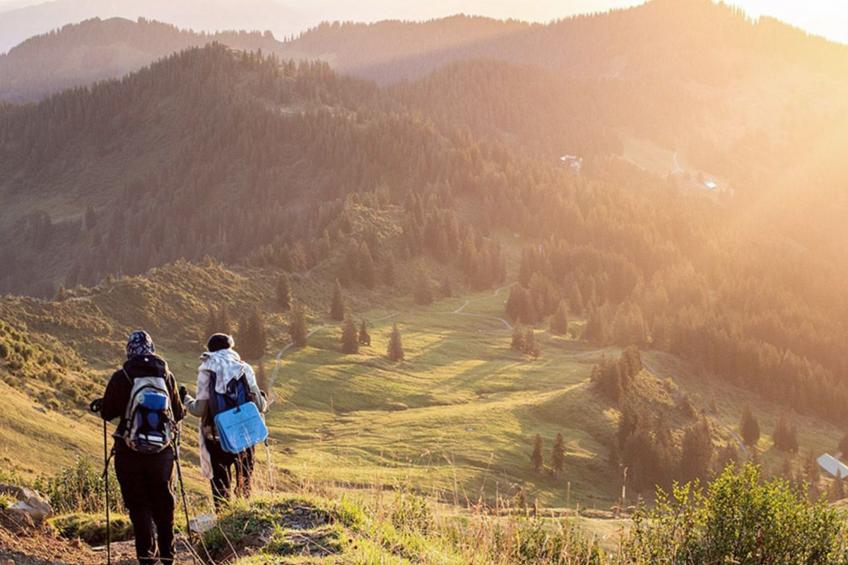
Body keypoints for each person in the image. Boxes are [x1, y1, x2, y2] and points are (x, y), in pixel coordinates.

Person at [95, 330, 184, 565]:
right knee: (164, 503)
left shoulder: (122, 375)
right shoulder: (166, 375)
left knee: (139, 505)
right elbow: (178, 413)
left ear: (129, 350)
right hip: (162, 453)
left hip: (129, 451)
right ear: (151, 348)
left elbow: (108, 412)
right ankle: (168, 556)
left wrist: (101, 404)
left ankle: (147, 558)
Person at [182, 333, 267, 510]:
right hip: (244, 436)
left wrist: (185, 399)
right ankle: (244, 517)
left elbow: (199, 410)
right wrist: (263, 400)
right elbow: (260, 405)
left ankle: (222, 519)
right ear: (230, 348)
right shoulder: (244, 368)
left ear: (210, 350)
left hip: (216, 437)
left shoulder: (206, 370)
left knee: (220, 485)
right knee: (244, 483)